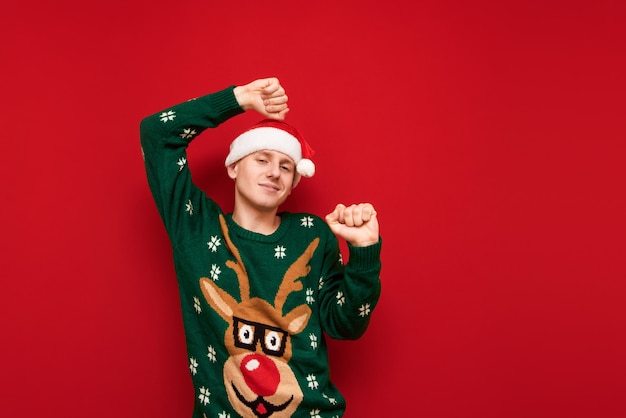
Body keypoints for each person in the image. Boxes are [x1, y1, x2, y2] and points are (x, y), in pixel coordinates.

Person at [140, 77, 382, 417]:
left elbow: (346, 325)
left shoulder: (312, 235)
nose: (274, 173)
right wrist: (237, 99)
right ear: (234, 166)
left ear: (294, 181)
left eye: (286, 166)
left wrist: (364, 254)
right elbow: (156, 134)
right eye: (261, 160)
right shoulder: (196, 228)